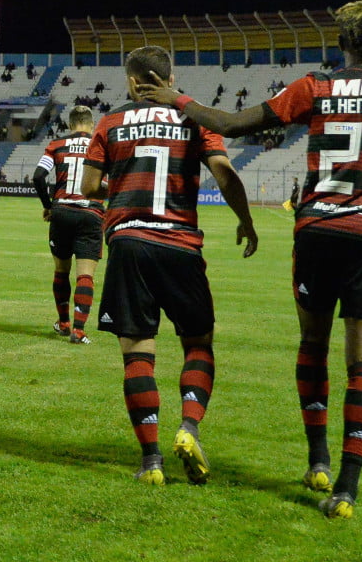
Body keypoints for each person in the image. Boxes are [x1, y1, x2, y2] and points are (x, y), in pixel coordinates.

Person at [138, 0, 362, 519]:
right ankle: (345, 488)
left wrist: (177, 98)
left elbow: (232, 124)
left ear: (340, 43)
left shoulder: (315, 87)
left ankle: (317, 459)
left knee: (313, 344)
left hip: (318, 231)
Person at [80, 46, 258, 487]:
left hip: (129, 242)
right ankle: (189, 427)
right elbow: (223, 173)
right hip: (180, 244)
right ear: (170, 78)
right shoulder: (194, 117)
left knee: (137, 352)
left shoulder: (110, 122)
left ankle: (152, 461)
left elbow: (88, 186)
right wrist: (246, 220)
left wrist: (123, 183)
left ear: (131, 81)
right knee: (198, 344)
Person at [32, 105, 104, 344]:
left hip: (62, 212)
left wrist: (48, 206)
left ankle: (63, 323)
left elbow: (38, 176)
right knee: (85, 275)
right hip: (90, 213)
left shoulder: (57, 144)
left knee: (61, 271)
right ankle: (78, 330)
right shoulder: (100, 145)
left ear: (70, 124)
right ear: (91, 124)